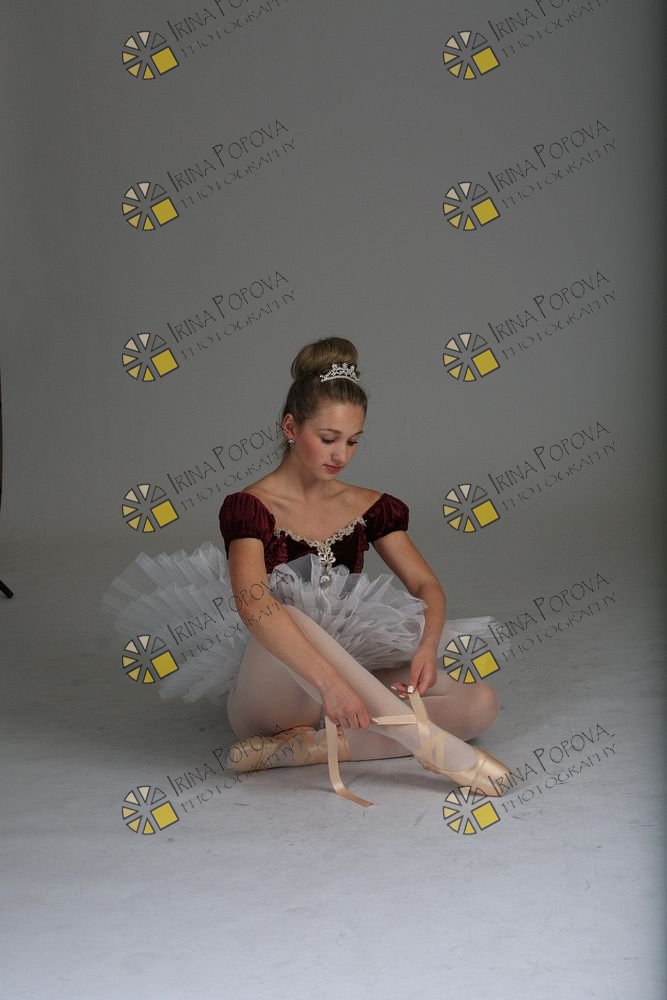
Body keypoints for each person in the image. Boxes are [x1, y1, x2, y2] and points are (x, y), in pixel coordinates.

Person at [103, 336, 509, 807]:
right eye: (328, 439)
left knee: (481, 704)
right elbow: (253, 604)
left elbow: (424, 584)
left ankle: (303, 751)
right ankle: (436, 750)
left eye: (353, 441)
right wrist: (330, 686)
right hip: (277, 689)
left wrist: (428, 645)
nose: (341, 455)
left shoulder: (370, 506)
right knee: (288, 611)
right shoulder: (251, 507)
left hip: (347, 671)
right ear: (291, 427)